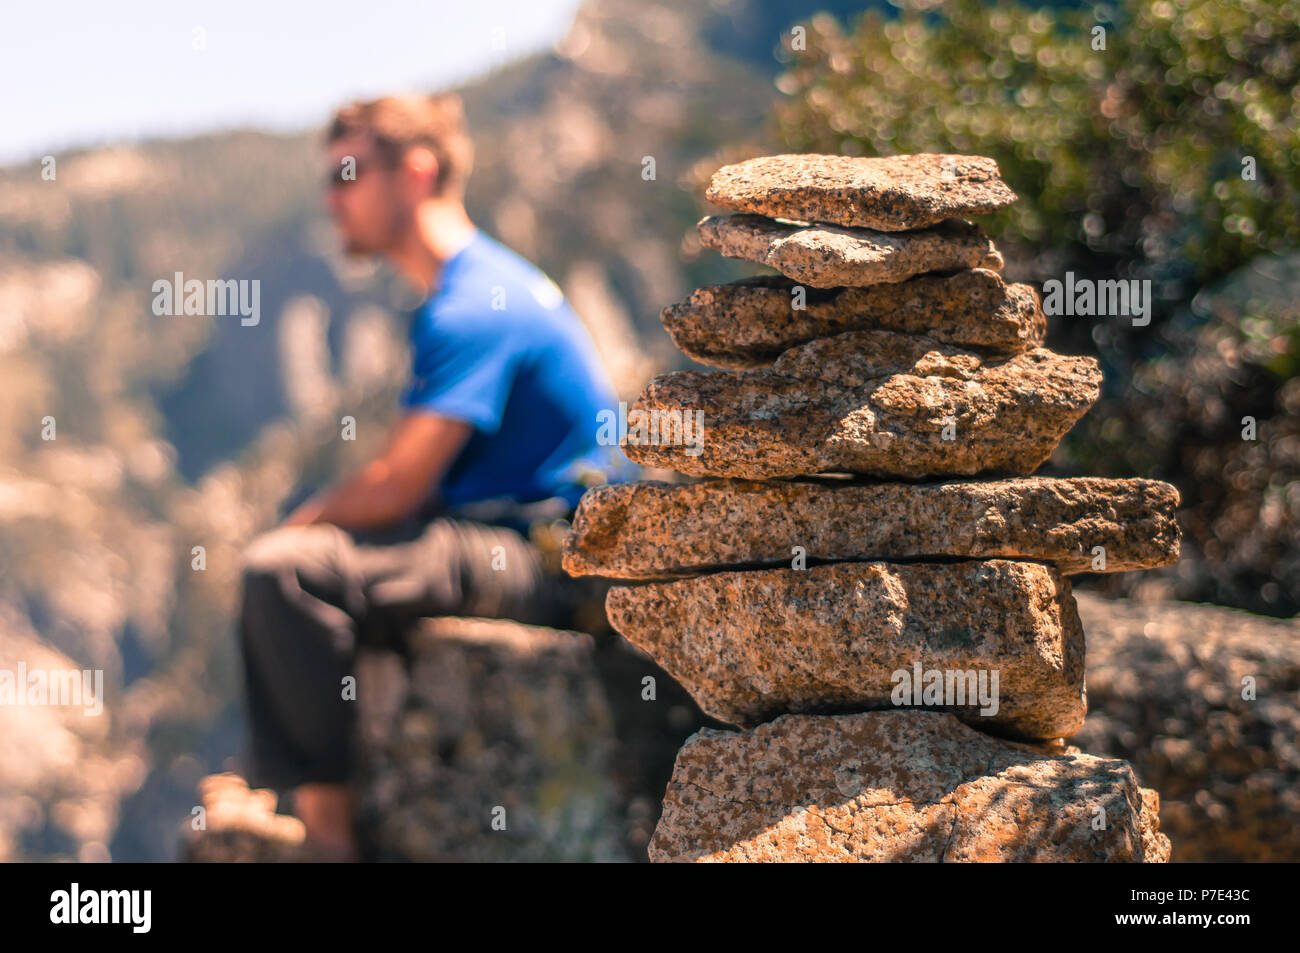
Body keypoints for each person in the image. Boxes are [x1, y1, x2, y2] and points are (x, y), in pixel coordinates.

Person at [235, 92, 635, 861]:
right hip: (523, 536)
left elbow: (395, 487)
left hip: (542, 553)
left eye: (348, 173)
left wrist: (301, 524)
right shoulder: (484, 285)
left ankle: (326, 837)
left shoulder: (474, 305)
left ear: (416, 171)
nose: (332, 198)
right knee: (316, 549)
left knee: (282, 572)